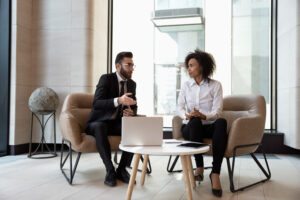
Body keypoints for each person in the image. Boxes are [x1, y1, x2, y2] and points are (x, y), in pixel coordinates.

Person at [177, 49, 227, 197]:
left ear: (202, 66)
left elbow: (217, 112)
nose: (188, 69)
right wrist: (186, 115)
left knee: (222, 122)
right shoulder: (186, 85)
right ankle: (199, 166)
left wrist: (203, 115)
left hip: (209, 125)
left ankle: (215, 173)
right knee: (195, 121)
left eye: (192, 65)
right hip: (191, 127)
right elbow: (178, 107)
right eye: (188, 66)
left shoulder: (215, 85)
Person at [85, 51, 137, 187]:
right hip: (97, 122)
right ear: (118, 66)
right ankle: (110, 170)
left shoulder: (132, 84)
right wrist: (119, 100)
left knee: (132, 128)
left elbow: (134, 105)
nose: (132, 68)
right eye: (128, 65)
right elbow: (97, 103)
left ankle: (121, 169)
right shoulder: (106, 79)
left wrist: (131, 113)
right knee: (100, 126)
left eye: (133, 65)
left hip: (116, 123)